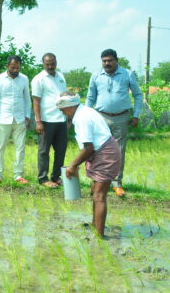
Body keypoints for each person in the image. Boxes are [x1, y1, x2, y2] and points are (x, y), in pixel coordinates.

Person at [57, 91, 121, 238]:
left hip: (105, 154)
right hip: (103, 151)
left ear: (70, 106)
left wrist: (73, 165)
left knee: (99, 195)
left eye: (63, 110)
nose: (63, 113)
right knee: (95, 191)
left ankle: (99, 235)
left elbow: (88, 148)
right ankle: (95, 225)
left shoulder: (82, 118)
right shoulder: (86, 110)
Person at [86, 49, 143, 197]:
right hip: (100, 117)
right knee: (97, 150)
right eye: (104, 61)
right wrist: (85, 116)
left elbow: (137, 95)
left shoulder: (127, 74)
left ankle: (117, 184)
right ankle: (96, 181)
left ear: (116, 60)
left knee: (118, 151)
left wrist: (136, 115)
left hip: (121, 118)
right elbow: (90, 97)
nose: (107, 63)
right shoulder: (96, 75)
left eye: (110, 60)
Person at [0, 55, 31, 186]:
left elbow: (27, 99)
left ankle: (18, 175)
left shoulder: (24, 79)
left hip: (19, 118)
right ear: (7, 66)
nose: (15, 70)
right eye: (13, 67)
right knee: (0, 148)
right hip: (3, 118)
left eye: (17, 67)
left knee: (20, 148)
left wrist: (28, 116)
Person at [31, 53, 68, 188]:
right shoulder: (38, 79)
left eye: (52, 63)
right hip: (46, 120)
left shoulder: (60, 76)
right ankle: (43, 178)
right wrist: (38, 121)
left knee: (61, 150)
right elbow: (36, 101)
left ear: (56, 62)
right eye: (47, 64)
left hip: (61, 119)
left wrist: (68, 116)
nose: (50, 66)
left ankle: (56, 176)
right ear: (43, 64)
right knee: (44, 151)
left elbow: (64, 97)